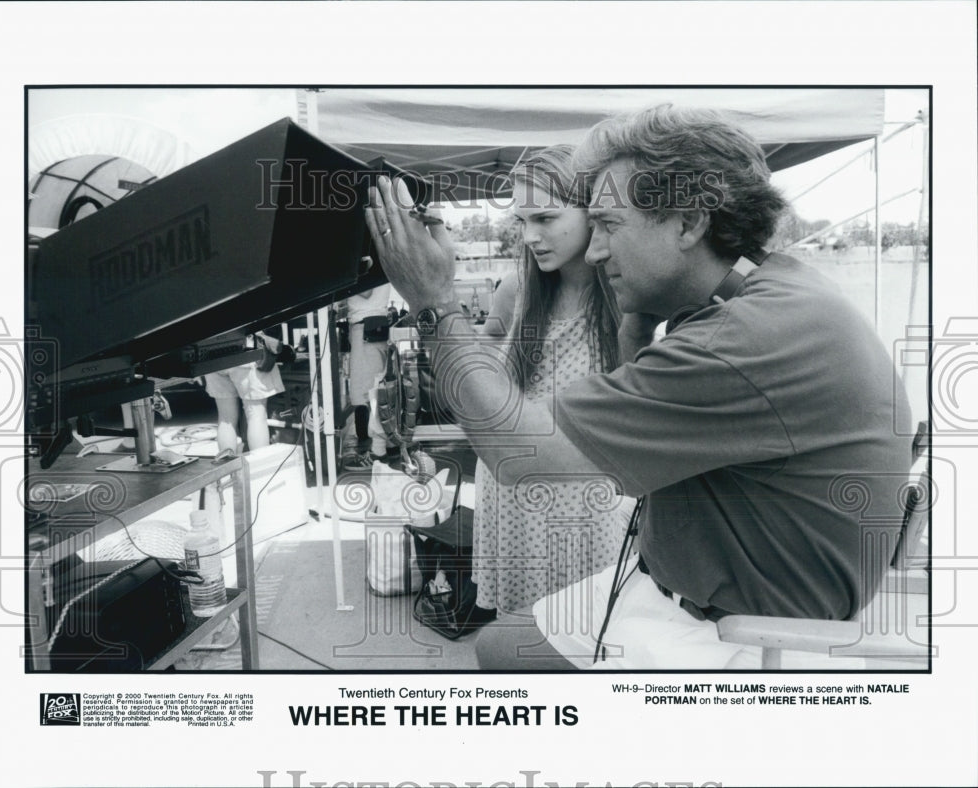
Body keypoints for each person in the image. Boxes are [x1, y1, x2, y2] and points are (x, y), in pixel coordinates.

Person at [365, 103, 911, 670]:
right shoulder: (765, 290)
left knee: (510, 665)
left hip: (744, 635)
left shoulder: (743, 338)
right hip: (677, 591)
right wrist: (637, 321)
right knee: (500, 646)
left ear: (688, 222)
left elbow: (520, 452)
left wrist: (435, 302)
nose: (597, 250)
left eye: (608, 224)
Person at [471, 145, 634, 617]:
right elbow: (481, 373)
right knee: (517, 639)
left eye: (544, 217)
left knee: (587, 636)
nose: (529, 236)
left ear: (594, 212)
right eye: (522, 221)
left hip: (587, 504)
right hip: (512, 493)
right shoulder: (514, 291)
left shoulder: (629, 297)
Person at [340, 284, 394, 469]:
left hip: (365, 327)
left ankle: (378, 454)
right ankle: (387, 445)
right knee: (375, 389)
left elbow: (365, 289)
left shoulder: (369, 260)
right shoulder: (378, 259)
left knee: (371, 393)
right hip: (370, 325)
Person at [204, 358, 284, 456]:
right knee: (256, 416)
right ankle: (259, 467)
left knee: (226, 419)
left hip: (213, 359)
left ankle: (229, 467)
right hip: (246, 356)